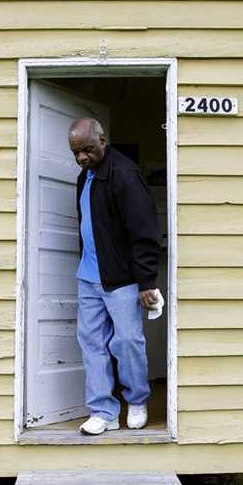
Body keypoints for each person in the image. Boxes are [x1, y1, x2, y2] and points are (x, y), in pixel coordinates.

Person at [67, 117, 161, 436]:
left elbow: (145, 231)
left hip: (121, 278)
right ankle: (103, 411)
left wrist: (147, 282)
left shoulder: (124, 175)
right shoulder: (85, 177)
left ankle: (137, 401)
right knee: (92, 345)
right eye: (76, 153)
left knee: (127, 342)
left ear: (102, 141)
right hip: (88, 277)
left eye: (87, 150)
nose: (81, 157)